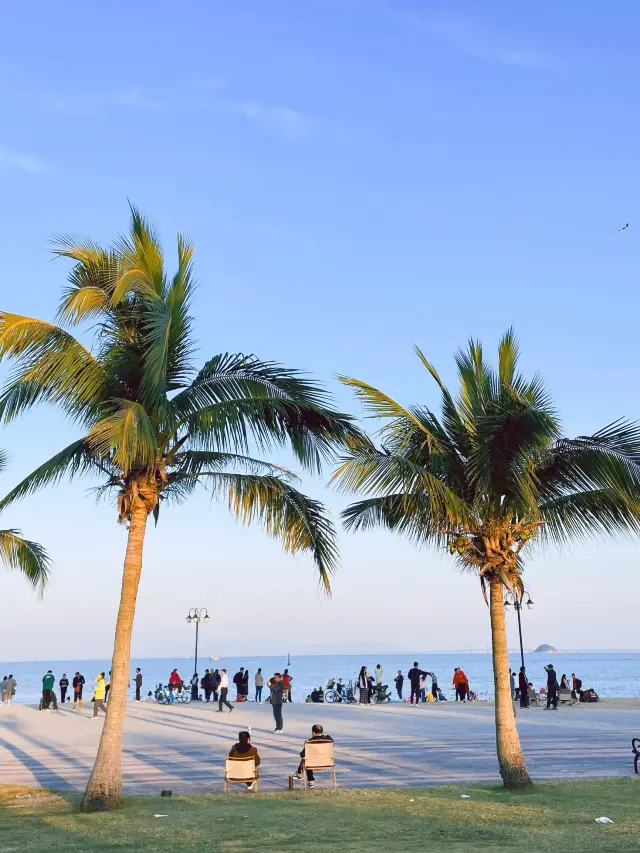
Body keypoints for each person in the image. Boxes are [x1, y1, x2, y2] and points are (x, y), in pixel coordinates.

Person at [294, 724, 334, 789]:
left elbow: (302, 755)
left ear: (313, 733)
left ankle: (309, 780)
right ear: (322, 732)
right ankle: (300, 774)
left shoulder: (310, 742)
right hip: (327, 763)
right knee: (309, 758)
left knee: (306, 758)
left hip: (312, 764)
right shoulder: (328, 739)